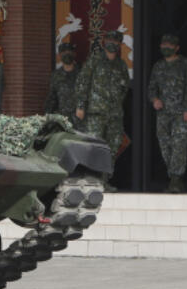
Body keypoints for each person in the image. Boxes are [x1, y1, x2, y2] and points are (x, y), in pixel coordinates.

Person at [75, 30, 130, 191]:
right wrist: (80, 105)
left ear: (120, 45)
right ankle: (92, 181)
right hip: (95, 113)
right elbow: (82, 83)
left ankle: (104, 180)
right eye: (110, 40)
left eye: (116, 41)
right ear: (105, 42)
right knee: (94, 146)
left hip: (114, 114)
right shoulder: (94, 61)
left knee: (112, 147)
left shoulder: (121, 65)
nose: (113, 44)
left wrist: (116, 104)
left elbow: (124, 87)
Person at [147, 33, 187, 193]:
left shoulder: (186, 64)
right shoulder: (158, 66)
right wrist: (154, 99)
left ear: (177, 48)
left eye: (170, 45)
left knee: (179, 146)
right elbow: (151, 87)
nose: (166, 48)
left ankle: (176, 180)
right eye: (164, 45)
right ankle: (173, 176)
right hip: (163, 113)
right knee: (165, 146)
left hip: (180, 113)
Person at [44, 42, 81, 123]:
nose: (67, 54)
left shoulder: (83, 73)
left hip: (80, 119)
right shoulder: (56, 75)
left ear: (74, 54)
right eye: (64, 52)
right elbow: (52, 98)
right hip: (63, 119)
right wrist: (47, 115)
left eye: (69, 51)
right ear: (59, 55)